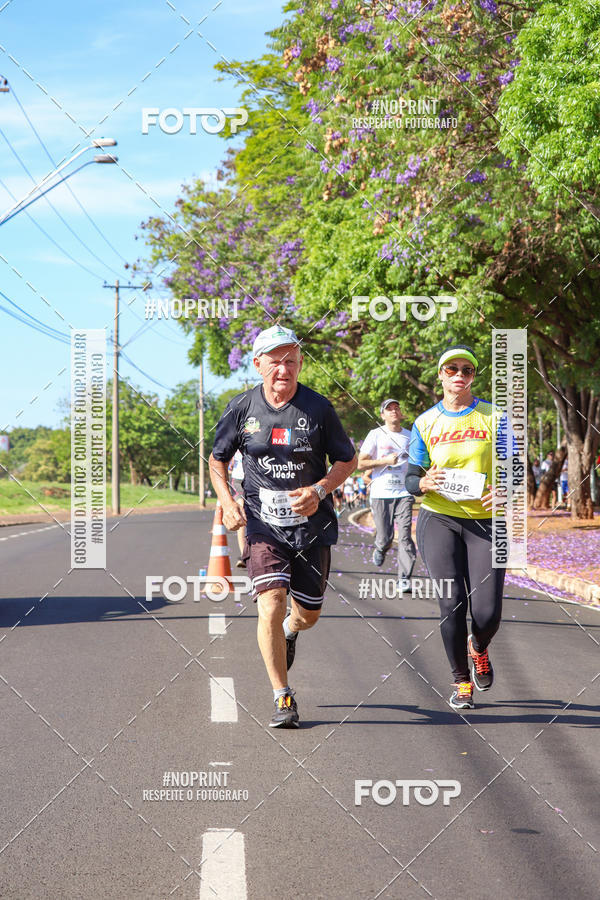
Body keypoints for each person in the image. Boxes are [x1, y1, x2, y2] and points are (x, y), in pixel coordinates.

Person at [209, 324, 356, 728]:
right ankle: (282, 696)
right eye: (274, 361)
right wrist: (227, 500)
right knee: (270, 602)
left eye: (290, 360)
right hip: (262, 525)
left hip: (311, 527)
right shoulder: (241, 408)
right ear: (258, 365)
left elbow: (347, 459)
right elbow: (216, 460)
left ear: (300, 363)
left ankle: (292, 630)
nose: (283, 369)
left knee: (308, 615)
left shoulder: (319, 409)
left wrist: (321, 489)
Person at [406, 345, 508, 710]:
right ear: (441, 375)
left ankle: (478, 647)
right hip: (440, 519)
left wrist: (504, 490)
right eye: (452, 369)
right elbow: (411, 477)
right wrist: (422, 484)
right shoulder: (425, 423)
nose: (459, 375)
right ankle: (461, 681)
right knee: (451, 605)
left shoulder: (495, 417)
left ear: (473, 377)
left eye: (467, 369)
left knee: (487, 613)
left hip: (486, 522)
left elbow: (514, 466)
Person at [358, 399, 416, 592]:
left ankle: (404, 578)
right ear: (382, 415)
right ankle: (381, 547)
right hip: (381, 493)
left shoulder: (410, 436)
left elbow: (418, 462)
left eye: (396, 408)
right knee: (385, 537)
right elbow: (361, 464)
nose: (393, 411)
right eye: (388, 409)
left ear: (400, 414)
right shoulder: (375, 435)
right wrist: (384, 460)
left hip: (404, 493)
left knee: (406, 535)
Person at [228, 450, 247, 567]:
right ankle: (244, 555)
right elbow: (228, 465)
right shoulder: (234, 440)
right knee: (241, 511)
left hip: (254, 480)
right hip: (237, 480)